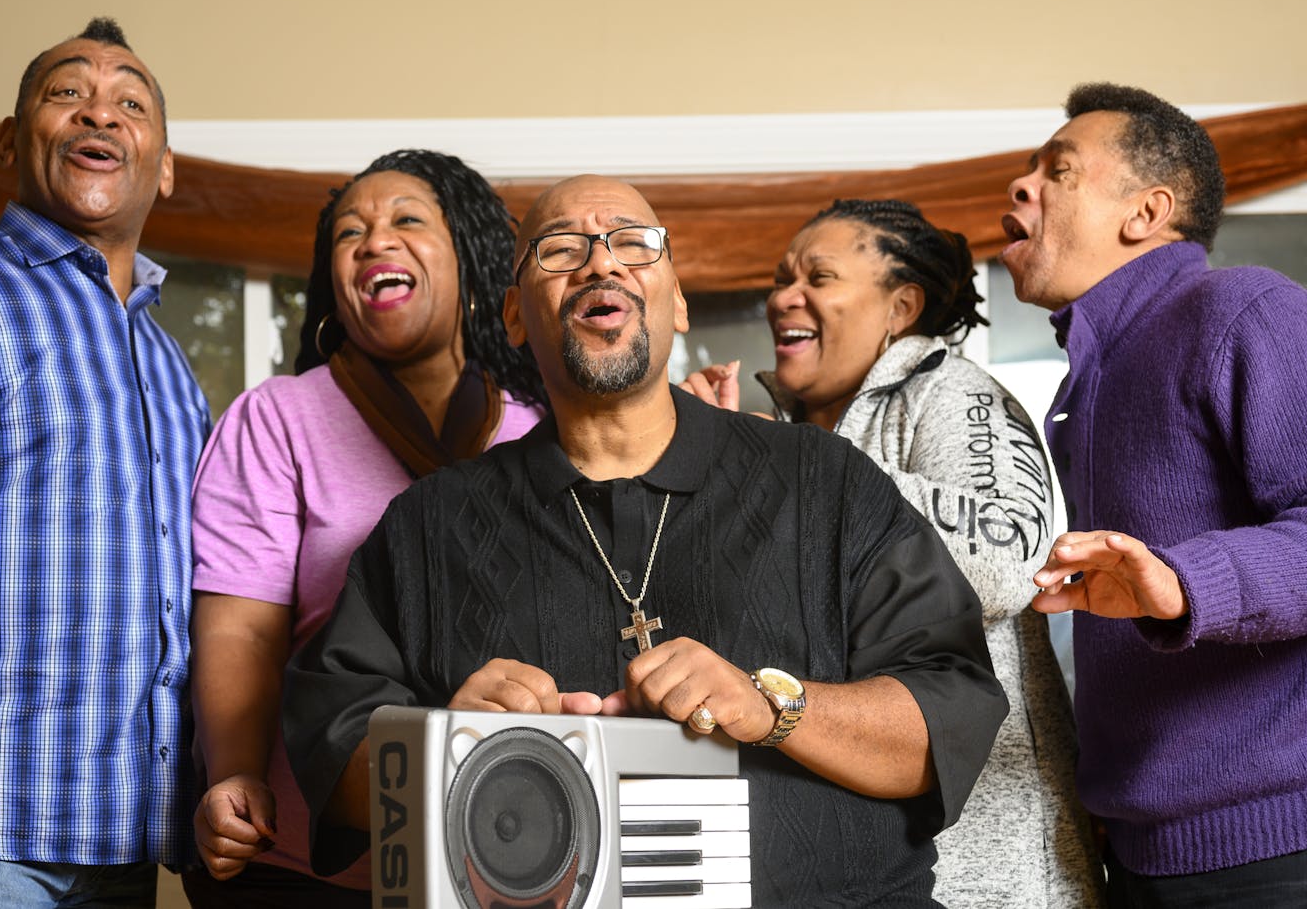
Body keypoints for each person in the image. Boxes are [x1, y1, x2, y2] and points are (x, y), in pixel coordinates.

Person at [282, 174, 1008, 906]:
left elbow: (948, 719)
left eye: (634, 243)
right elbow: (336, 764)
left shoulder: (828, 483)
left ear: (678, 301)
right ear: (513, 317)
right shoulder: (423, 529)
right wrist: (446, 750)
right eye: (561, 249)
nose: (602, 263)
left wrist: (771, 707)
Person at [683, 199, 1104, 906]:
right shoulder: (784, 436)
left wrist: (789, 463)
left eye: (819, 277)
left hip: (988, 875)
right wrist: (721, 462)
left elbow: (1007, 561)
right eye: (783, 278)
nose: (784, 296)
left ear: (900, 307)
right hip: (840, 862)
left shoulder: (954, 393)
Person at [0, 19, 209, 907]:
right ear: (10, 139)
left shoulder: (174, 373)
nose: (97, 114)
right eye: (67, 93)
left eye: (130, 103)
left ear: (164, 166)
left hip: (125, 854)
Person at [184, 150, 546, 908]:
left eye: (407, 220)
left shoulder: (539, 431)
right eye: (350, 234)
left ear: (472, 263)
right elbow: (241, 631)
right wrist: (234, 774)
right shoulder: (278, 419)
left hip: (505, 857)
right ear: (333, 287)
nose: (375, 241)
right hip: (305, 865)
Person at [1005, 83, 1307, 905]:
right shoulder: (1083, 386)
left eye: (1057, 171)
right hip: (1137, 859)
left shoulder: (1246, 311)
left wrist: (1182, 582)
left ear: (1146, 213)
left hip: (1276, 855)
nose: (1020, 187)